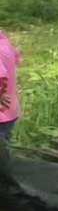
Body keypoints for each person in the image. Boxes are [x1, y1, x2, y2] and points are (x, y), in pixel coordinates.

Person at [0, 28, 18, 160]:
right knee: (4, 146)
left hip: (1, 112)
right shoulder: (4, 41)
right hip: (10, 109)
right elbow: (16, 57)